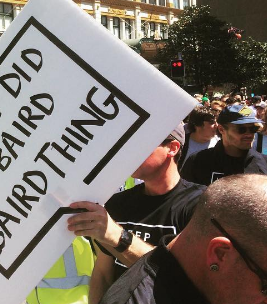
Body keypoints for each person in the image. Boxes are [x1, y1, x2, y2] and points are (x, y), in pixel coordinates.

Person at [66, 123, 206, 304]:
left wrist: (118, 236)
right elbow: (102, 274)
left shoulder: (199, 204)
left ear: (172, 148)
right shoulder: (118, 203)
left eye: (142, 145)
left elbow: (182, 279)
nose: (130, 154)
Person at [98, 174, 267, 304]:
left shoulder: (193, 200)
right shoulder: (118, 203)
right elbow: (102, 272)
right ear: (220, 254)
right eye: (265, 286)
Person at [180, 104, 267, 185]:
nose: (249, 135)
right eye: (241, 129)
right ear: (221, 129)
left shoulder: (263, 163)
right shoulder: (198, 161)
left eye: (253, 129)